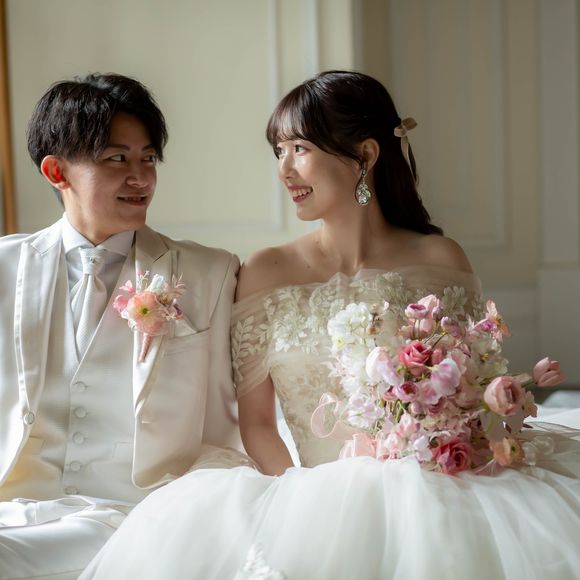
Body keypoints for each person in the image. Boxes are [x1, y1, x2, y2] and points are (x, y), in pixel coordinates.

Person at [81, 71, 580, 580]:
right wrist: (308, 510)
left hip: (441, 488)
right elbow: (258, 425)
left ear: (365, 154)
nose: (284, 170)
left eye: (299, 148)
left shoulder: (440, 258)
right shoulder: (265, 271)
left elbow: (474, 393)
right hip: (313, 495)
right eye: (278, 151)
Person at [0, 73, 246, 580]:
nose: (141, 178)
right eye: (117, 159)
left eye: (148, 159)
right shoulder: (5, 267)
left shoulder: (209, 273)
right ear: (56, 171)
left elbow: (227, 422)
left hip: (133, 516)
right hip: (15, 512)